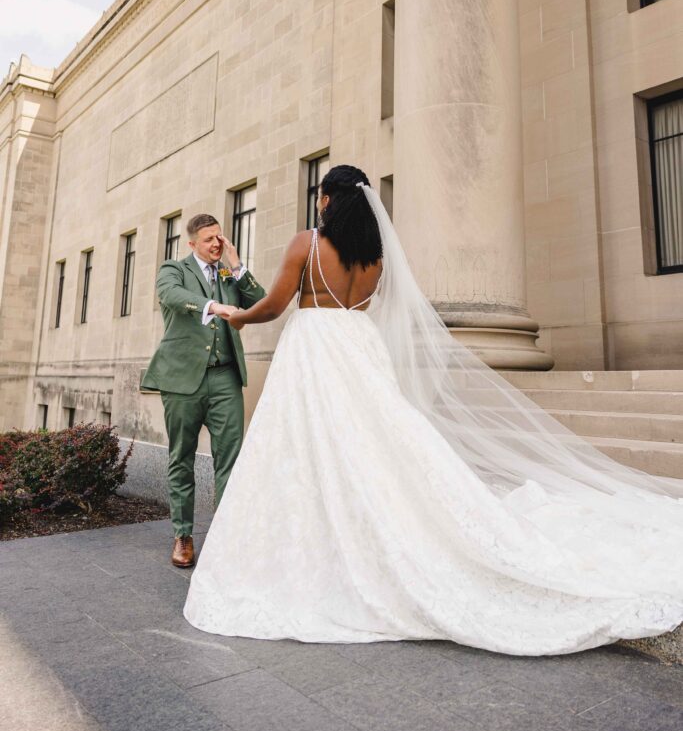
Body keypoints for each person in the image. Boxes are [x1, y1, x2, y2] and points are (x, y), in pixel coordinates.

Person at [183, 167, 683, 656]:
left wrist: (237, 315)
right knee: (375, 448)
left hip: (314, 351)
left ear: (327, 199)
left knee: (308, 448)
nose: (318, 202)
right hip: (359, 347)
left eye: (320, 195)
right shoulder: (376, 258)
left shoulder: (306, 244)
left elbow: (273, 305)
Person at [141, 213, 265, 567]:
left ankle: (226, 537)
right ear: (192, 243)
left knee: (231, 458)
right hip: (182, 381)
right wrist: (214, 305)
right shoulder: (173, 270)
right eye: (209, 239)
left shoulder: (228, 274)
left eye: (219, 238)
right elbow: (172, 295)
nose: (216, 244)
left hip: (225, 377)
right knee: (182, 457)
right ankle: (183, 535)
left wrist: (237, 265)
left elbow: (260, 301)